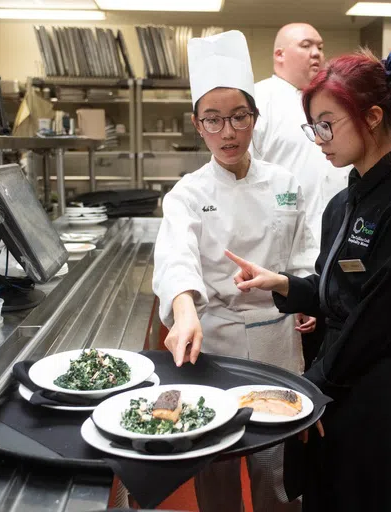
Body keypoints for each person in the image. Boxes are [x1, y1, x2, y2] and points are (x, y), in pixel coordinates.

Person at [226, 48, 391, 511]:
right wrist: (283, 284)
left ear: (372, 116)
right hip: (341, 387)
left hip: (385, 400)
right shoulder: (345, 201)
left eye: (327, 125)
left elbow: (376, 320)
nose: (319, 140)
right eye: (314, 126)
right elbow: (339, 293)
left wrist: (309, 389)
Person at [152, 30, 316, 512]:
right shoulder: (186, 192)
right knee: (216, 461)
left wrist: (302, 293)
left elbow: (304, 250)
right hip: (214, 342)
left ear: (255, 118)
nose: (228, 132)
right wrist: (184, 311)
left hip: (276, 343)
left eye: (240, 117)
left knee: (276, 467)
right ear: (197, 125)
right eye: (214, 120)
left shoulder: (286, 185)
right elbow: (176, 256)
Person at [252, 23, 353, 369]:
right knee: (289, 372)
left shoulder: (328, 101)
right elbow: (249, 191)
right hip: (283, 258)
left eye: (321, 47)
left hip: (334, 254)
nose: (317, 53)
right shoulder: (258, 102)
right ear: (279, 54)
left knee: (333, 361)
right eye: (306, 45)